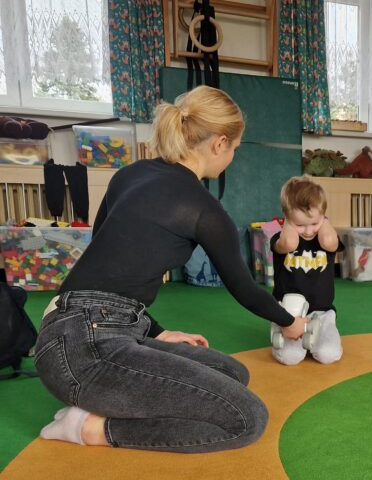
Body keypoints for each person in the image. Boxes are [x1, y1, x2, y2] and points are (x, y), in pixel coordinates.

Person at [34, 86, 307, 453]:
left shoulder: (129, 174)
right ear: (219, 144)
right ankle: (90, 427)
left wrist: (156, 332)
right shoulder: (204, 209)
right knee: (247, 419)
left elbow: (108, 267)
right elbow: (244, 288)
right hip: (83, 351)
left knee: (233, 373)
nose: (232, 158)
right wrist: (289, 323)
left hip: (72, 327)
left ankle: (109, 393)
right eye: (235, 149)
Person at [270, 175, 343, 366]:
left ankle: (318, 338)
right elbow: (289, 243)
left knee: (328, 355)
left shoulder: (325, 238)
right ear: (288, 219)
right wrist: (289, 221)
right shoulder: (281, 238)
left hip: (322, 314)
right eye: (300, 225)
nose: (308, 231)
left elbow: (330, 242)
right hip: (289, 313)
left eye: (314, 224)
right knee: (290, 358)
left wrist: (322, 218)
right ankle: (280, 329)